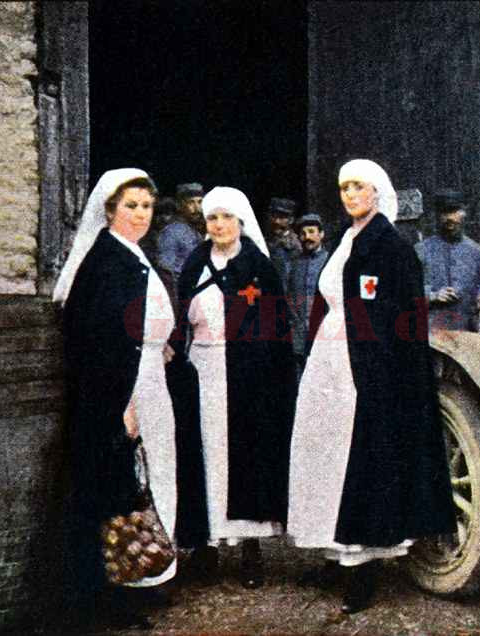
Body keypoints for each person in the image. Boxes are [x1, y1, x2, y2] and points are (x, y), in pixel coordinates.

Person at [287, 159, 455, 614]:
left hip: (366, 369)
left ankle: (363, 570)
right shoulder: (345, 240)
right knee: (325, 456)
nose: (349, 195)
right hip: (330, 360)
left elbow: (405, 320)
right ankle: (332, 554)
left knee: (357, 460)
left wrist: (384, 375)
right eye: (344, 188)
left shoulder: (392, 248)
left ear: (377, 192)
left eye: (358, 187)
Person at [53, 168, 179, 627]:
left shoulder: (133, 256)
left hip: (147, 379)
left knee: (151, 478)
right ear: (109, 211)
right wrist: (121, 404)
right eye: (131, 206)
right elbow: (95, 339)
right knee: (116, 489)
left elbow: (140, 321)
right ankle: (110, 595)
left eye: (147, 206)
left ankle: (147, 575)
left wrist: (160, 345)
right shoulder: (107, 261)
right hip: (119, 389)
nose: (141, 214)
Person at [174, 186, 296, 589]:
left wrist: (273, 378)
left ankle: (249, 550)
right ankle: (206, 547)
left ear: (241, 221)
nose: (219, 225)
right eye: (212, 218)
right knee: (206, 454)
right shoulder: (195, 264)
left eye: (227, 217)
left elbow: (278, 329)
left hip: (248, 376)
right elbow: (179, 319)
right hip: (203, 370)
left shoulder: (259, 267)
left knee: (245, 455)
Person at [415, 189, 480, 331]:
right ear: (437, 216)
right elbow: (404, 291)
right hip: (431, 330)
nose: (449, 218)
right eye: (444, 212)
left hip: (466, 331)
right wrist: (432, 296)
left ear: (464, 213)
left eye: (454, 211)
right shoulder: (420, 251)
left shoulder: (478, 253)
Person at [286, 213, 329, 376]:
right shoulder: (293, 263)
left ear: (321, 234)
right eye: (303, 234)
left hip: (323, 333)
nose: (307, 237)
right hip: (297, 335)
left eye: (311, 232)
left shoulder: (329, 261)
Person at [158, 183, 204, 281]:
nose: (197, 208)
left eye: (200, 202)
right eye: (191, 202)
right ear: (180, 205)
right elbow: (166, 272)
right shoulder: (171, 233)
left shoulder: (197, 231)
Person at [265, 196, 302, 283]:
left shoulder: (296, 246)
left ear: (291, 220)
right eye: (273, 216)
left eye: (282, 217)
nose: (276, 221)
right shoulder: (265, 242)